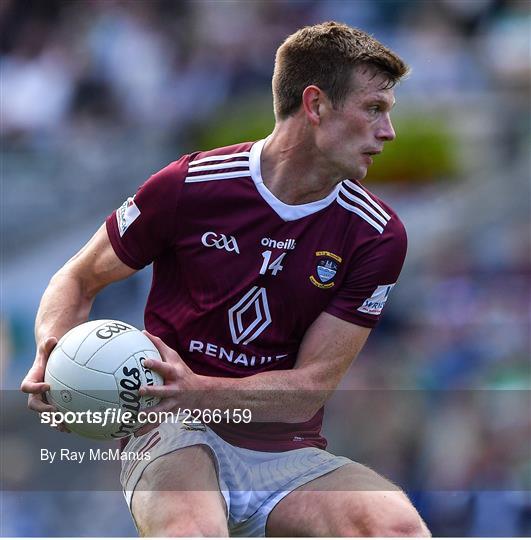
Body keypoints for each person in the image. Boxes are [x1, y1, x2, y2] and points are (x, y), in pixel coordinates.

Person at [21, 21, 430, 537]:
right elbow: (78, 278)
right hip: (172, 429)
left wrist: (198, 388)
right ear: (316, 105)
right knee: (191, 529)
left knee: (396, 526)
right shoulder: (189, 186)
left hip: (283, 449)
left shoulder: (377, 235)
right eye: (374, 109)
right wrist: (50, 352)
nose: (388, 131)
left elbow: (308, 389)